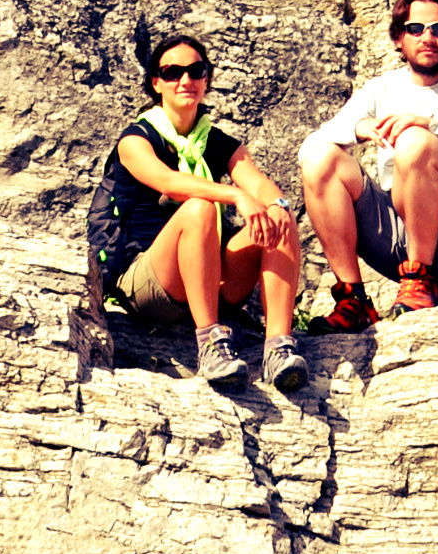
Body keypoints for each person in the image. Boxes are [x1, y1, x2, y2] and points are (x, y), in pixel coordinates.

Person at [98, 31, 307, 387]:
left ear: (206, 79)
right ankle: (210, 344)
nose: (185, 80)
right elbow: (169, 183)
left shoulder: (217, 140)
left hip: (211, 276)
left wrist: (276, 205)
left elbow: (259, 184)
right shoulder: (136, 139)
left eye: (196, 71)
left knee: (280, 215)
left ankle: (277, 349)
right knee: (199, 208)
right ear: (156, 83)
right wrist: (235, 196)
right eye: (172, 73)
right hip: (149, 282)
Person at [300, 0, 438, 326]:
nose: (428, 37)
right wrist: (359, 128)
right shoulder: (382, 89)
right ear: (399, 39)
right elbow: (308, 150)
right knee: (321, 160)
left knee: (414, 141)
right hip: (398, 238)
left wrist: (434, 127)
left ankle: (421, 279)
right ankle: (353, 301)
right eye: (415, 29)